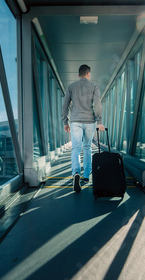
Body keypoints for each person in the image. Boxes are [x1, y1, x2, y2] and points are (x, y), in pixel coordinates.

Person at [62, 64, 105, 193]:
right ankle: (86, 176)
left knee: (76, 148)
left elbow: (64, 106)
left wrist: (65, 122)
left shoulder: (71, 87)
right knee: (87, 147)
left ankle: (76, 173)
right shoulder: (94, 86)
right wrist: (100, 121)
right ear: (88, 74)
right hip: (90, 121)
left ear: (78, 75)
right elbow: (97, 104)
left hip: (75, 121)